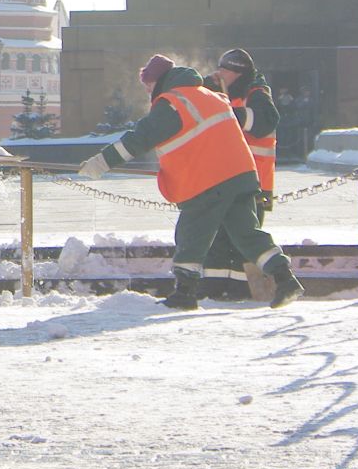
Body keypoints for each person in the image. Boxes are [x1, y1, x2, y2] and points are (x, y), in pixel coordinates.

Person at [77, 54, 302, 310]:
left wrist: (101, 163)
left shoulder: (173, 103)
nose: (148, 90)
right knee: (247, 233)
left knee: (191, 233)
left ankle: (185, 292)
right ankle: (286, 279)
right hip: (243, 176)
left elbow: (139, 138)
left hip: (210, 179)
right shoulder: (207, 95)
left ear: (159, 81)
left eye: (148, 84)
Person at [201, 49, 281, 299]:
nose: (219, 73)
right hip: (227, 180)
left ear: (237, 73)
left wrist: (228, 115)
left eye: (224, 70)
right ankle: (214, 288)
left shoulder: (256, 94)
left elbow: (266, 121)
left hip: (254, 183)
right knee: (219, 237)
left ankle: (240, 289)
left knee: (243, 240)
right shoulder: (227, 94)